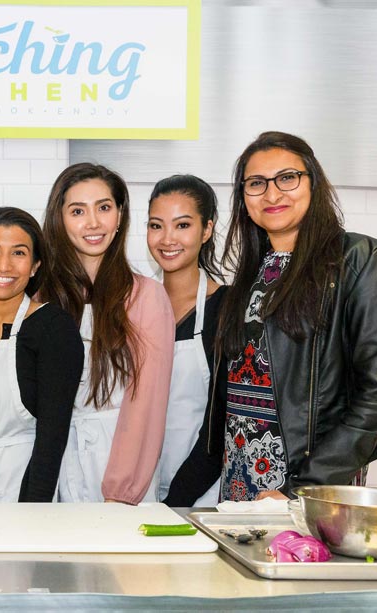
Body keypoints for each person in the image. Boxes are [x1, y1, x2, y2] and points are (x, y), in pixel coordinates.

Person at [217, 131, 377, 501]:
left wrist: (302, 487)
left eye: (287, 178)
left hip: (309, 483)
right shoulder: (252, 271)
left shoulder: (361, 259)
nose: (272, 194)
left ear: (313, 182)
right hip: (239, 476)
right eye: (256, 183)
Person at [42, 163, 175, 504]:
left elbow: (146, 404)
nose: (93, 222)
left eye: (104, 207)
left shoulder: (146, 296)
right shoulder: (43, 299)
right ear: (60, 220)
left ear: (119, 215)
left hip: (122, 466)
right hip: (59, 463)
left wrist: (120, 490)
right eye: (77, 211)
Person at [0, 207, 83, 502]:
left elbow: (51, 441)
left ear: (35, 266)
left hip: (17, 490)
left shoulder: (52, 329)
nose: (4, 265)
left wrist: (30, 519)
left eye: (18, 253)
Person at [146, 175, 227, 507]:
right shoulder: (133, 307)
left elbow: (221, 423)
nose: (167, 239)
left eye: (182, 225)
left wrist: (177, 499)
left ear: (206, 230)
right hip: (137, 487)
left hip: (201, 492)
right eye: (156, 225)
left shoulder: (228, 309)